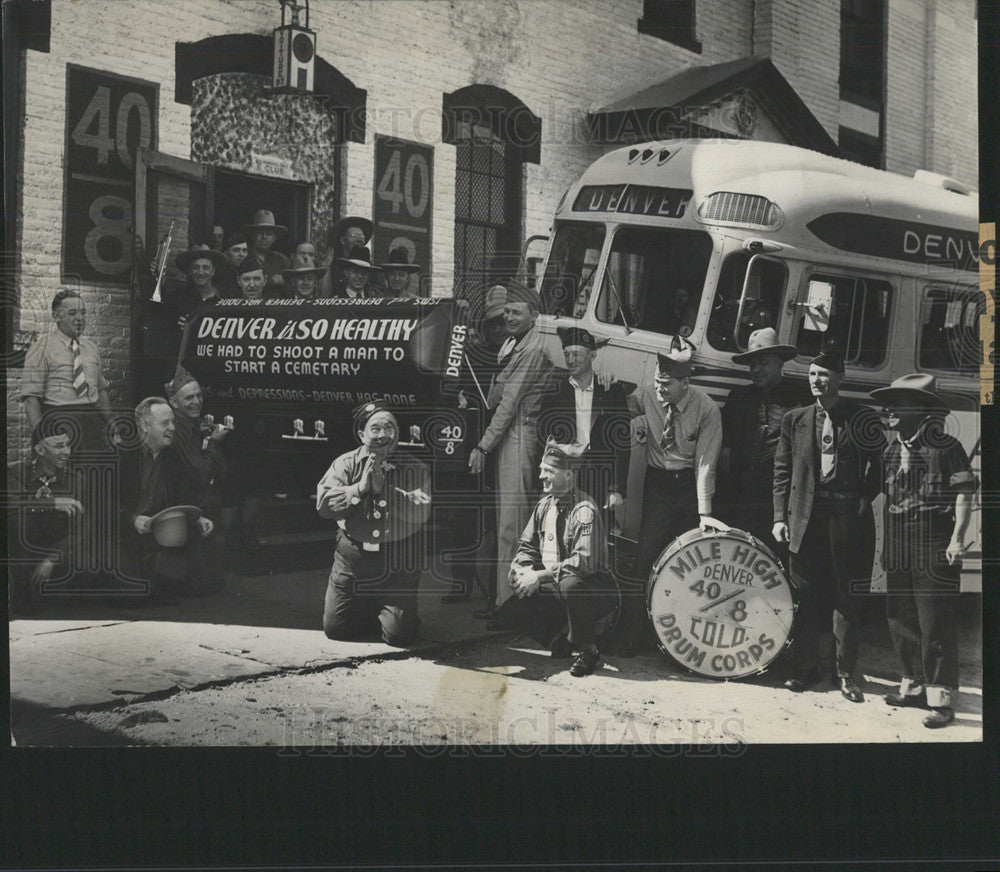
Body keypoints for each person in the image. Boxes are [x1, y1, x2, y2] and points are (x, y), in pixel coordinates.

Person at [772, 351, 881, 701]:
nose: (816, 380)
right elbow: (782, 472)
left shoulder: (862, 417)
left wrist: (867, 494)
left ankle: (845, 674)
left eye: (824, 374)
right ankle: (805, 669)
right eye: (812, 375)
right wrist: (779, 517)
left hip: (847, 518)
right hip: (806, 518)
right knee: (804, 593)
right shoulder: (795, 419)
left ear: (840, 377)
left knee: (846, 596)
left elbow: (880, 461)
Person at [870, 374, 978, 728]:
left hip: (933, 538)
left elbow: (965, 494)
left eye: (898, 403)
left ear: (921, 409)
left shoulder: (947, 448)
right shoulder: (890, 450)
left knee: (935, 620)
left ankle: (942, 700)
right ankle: (912, 687)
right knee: (900, 616)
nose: (889, 410)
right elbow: (888, 500)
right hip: (899, 539)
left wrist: (958, 538)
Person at [617, 335, 727, 656]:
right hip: (657, 485)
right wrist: (631, 416)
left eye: (667, 384)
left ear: (685, 382)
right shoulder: (649, 395)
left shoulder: (707, 410)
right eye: (657, 382)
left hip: (688, 490)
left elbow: (706, 463)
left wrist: (704, 511)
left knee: (686, 569)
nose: (660, 390)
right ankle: (632, 637)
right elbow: (620, 405)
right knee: (645, 561)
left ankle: (677, 642)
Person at [467, 283, 554, 620]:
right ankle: (505, 600)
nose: (510, 317)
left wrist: (482, 446)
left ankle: (509, 606)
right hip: (509, 436)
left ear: (534, 316)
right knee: (507, 523)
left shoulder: (532, 350)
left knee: (512, 526)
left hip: (519, 437)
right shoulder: (512, 345)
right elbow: (492, 399)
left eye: (517, 312)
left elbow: (507, 407)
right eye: (507, 311)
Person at [316, 401, 432, 646]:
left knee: (400, 637)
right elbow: (324, 504)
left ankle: (395, 614)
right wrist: (359, 488)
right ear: (361, 435)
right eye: (375, 429)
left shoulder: (415, 468)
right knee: (335, 629)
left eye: (389, 428)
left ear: (397, 433)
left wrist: (385, 491)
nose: (382, 435)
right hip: (353, 560)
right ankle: (372, 608)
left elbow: (420, 512)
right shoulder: (345, 464)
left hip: (397, 563)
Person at [505, 441, 620, 676]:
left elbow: (584, 563)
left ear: (568, 475)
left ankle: (589, 650)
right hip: (559, 586)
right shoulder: (544, 505)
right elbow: (527, 546)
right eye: (541, 470)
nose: (541, 476)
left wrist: (538, 576)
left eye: (548, 471)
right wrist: (520, 568)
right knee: (512, 610)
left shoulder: (584, 510)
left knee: (571, 584)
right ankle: (564, 639)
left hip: (594, 589)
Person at [720, 328, 811, 560]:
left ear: (780, 364)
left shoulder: (800, 400)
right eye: (753, 365)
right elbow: (726, 449)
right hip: (741, 493)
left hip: (778, 495)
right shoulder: (738, 398)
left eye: (763, 363)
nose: (757, 370)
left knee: (774, 556)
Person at [116, 397, 216, 604]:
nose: (172, 428)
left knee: (200, 584)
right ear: (144, 426)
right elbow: (103, 504)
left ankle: (160, 576)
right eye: (165, 423)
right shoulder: (121, 456)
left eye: (173, 422)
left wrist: (198, 517)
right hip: (124, 530)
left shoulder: (172, 456)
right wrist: (132, 519)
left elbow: (183, 493)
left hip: (159, 529)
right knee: (132, 596)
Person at [538, 326, 633, 531]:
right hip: (565, 473)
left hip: (598, 475)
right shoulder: (556, 390)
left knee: (596, 535)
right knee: (560, 533)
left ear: (593, 355)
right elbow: (543, 437)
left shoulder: (610, 390)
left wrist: (617, 488)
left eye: (577, 354)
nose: (570, 360)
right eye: (566, 355)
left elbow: (621, 442)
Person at [22, 290, 114, 455]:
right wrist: (42, 438)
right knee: (62, 478)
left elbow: (100, 392)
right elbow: (31, 399)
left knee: (90, 477)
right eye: (72, 313)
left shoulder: (91, 348)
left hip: (91, 425)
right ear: (56, 316)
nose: (80, 318)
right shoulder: (41, 348)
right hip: (58, 422)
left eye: (83, 313)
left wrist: (113, 427)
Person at [7, 423, 84, 615]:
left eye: (67, 445)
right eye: (59, 446)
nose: (66, 451)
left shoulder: (76, 480)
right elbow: (11, 508)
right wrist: (51, 503)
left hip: (58, 554)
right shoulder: (15, 471)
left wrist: (51, 560)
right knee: (18, 521)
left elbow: (80, 529)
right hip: (21, 553)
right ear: (40, 450)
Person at [170, 245, 226, 331]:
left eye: (206, 267)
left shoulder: (226, 297)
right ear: (189, 271)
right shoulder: (179, 298)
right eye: (195, 267)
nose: (200, 272)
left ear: (213, 271)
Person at [322, 216, 373, 297]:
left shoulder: (369, 265)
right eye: (354, 236)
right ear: (343, 240)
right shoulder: (334, 265)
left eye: (361, 236)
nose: (359, 239)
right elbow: (324, 296)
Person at [244, 210, 290, 297]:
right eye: (260, 232)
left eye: (269, 234)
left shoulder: (282, 261)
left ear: (274, 238)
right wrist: (272, 281)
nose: (264, 237)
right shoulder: (243, 258)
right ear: (253, 235)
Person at [216, 232, 248, 298]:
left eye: (244, 250)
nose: (241, 254)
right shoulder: (220, 275)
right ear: (225, 253)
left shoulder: (248, 271)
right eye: (236, 250)